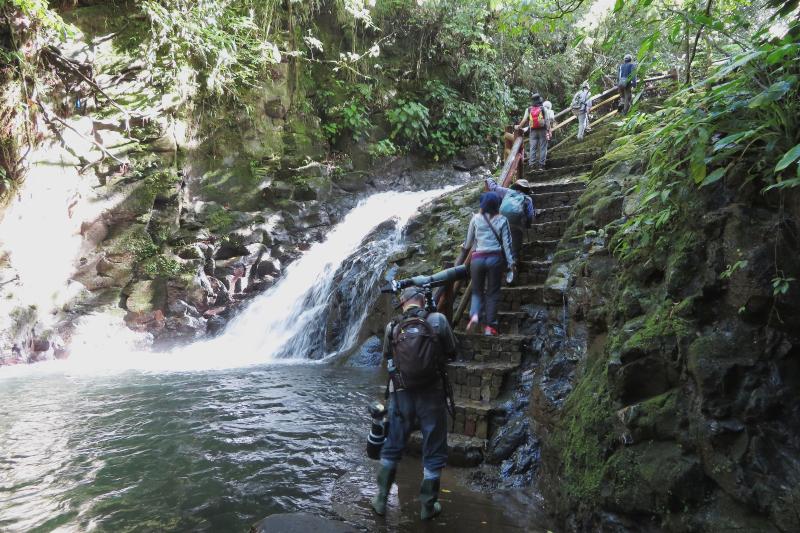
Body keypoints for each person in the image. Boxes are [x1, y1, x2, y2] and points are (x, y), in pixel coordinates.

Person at [371, 287, 457, 520]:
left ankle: (380, 499)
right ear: (422, 300)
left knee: (394, 443)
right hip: (432, 393)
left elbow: (388, 358)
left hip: (401, 395)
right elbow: (452, 351)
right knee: (434, 446)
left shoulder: (392, 326)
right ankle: (427, 506)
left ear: (402, 302)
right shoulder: (438, 320)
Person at [463, 191, 515, 336]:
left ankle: (474, 315)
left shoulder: (475, 219)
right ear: (497, 205)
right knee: (492, 293)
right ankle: (489, 327)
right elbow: (507, 245)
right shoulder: (503, 220)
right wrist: (511, 264)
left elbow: (468, 244)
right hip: (495, 258)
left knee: (477, 291)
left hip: (477, 259)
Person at [484, 177, 535, 263]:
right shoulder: (528, 199)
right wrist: (527, 226)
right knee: (514, 249)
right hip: (516, 224)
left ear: (515, 186)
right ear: (527, 190)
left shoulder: (507, 192)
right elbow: (530, 216)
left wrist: (489, 179)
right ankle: (513, 266)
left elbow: (493, 188)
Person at [515, 93, 551, 170]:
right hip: (542, 130)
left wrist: (519, 127)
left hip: (533, 131)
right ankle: (541, 165)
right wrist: (549, 130)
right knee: (543, 148)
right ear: (540, 100)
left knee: (533, 148)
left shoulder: (528, 109)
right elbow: (547, 120)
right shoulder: (543, 108)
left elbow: (524, 120)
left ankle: (532, 165)